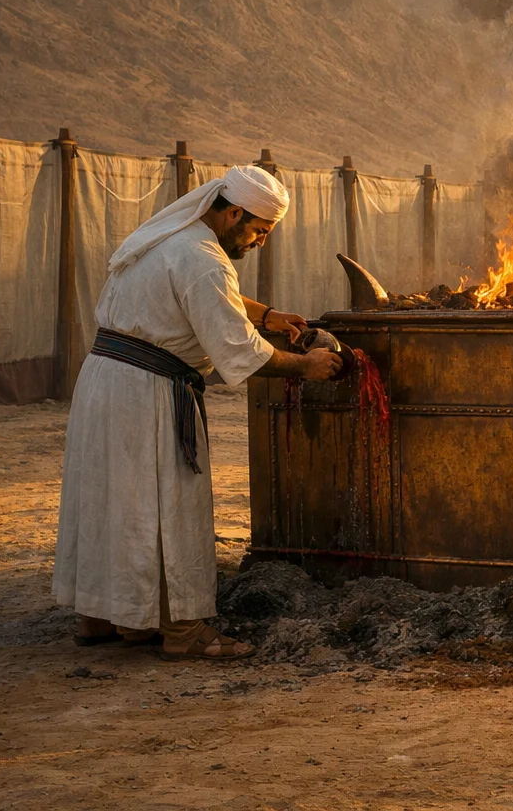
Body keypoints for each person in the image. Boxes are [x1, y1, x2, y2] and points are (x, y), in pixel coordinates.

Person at [53, 166, 341, 659]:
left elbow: (198, 294)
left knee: (113, 501)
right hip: (147, 396)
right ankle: (185, 632)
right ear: (232, 213)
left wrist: (266, 315)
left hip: (105, 384)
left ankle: (104, 617)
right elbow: (240, 352)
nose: (260, 242)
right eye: (258, 231)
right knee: (166, 508)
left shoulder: (171, 235)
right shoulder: (204, 258)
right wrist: (305, 365)